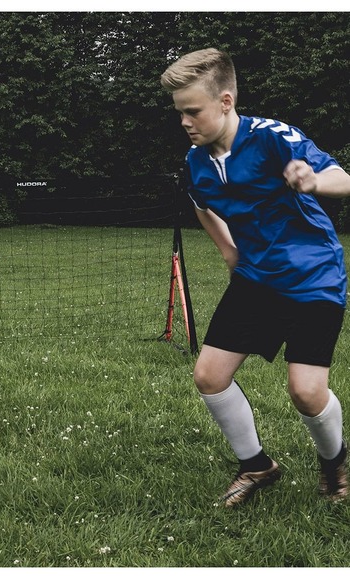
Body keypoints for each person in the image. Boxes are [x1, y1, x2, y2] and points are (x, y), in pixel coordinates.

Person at [160, 48, 350, 507]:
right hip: (255, 279)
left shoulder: (272, 138)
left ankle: (335, 463)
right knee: (209, 376)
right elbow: (202, 205)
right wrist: (229, 251)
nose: (185, 121)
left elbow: (343, 178)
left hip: (313, 277)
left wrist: (313, 181)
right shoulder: (197, 161)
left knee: (306, 392)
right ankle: (257, 465)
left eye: (193, 111)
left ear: (225, 101)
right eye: (180, 112)